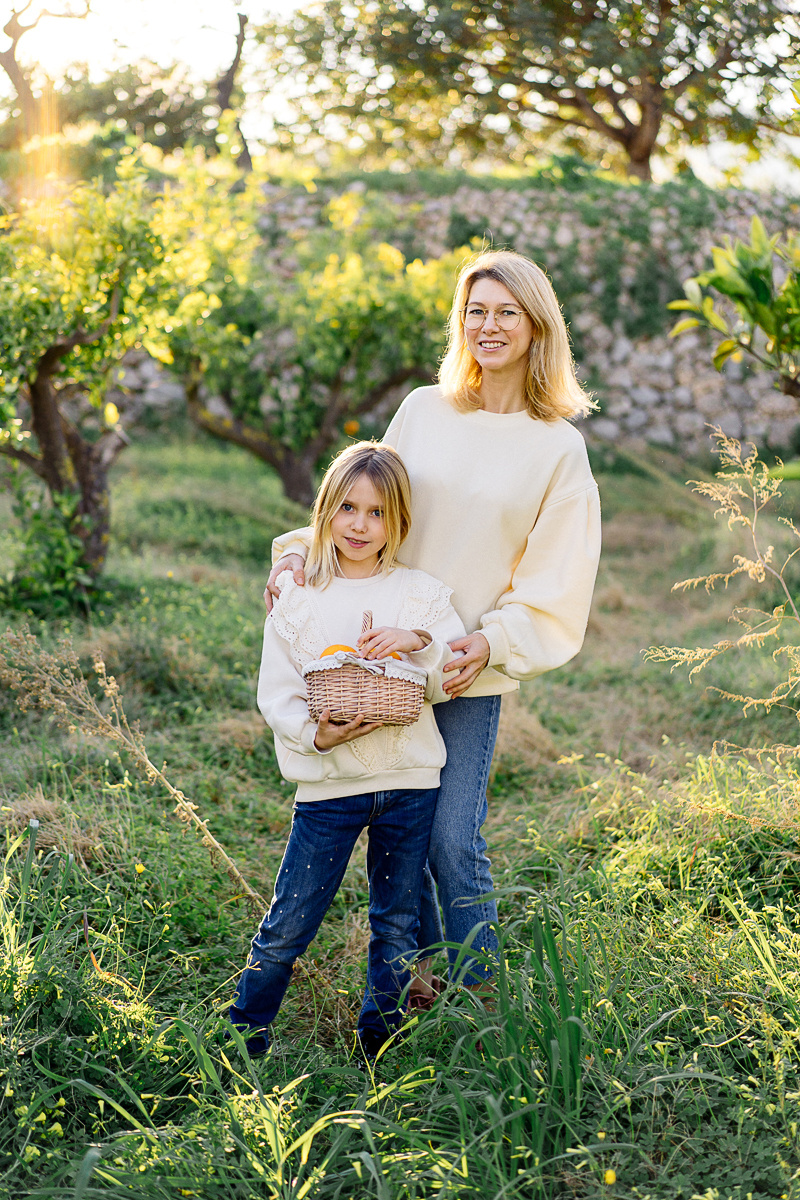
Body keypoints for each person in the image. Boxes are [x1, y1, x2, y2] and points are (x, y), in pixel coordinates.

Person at [266, 249, 602, 1003]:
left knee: (453, 838)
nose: (489, 325)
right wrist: (296, 555)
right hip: (381, 659)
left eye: (506, 311)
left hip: (462, 664)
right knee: (400, 832)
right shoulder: (424, 408)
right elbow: (364, 500)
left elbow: (556, 573)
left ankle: (479, 998)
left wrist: (493, 641)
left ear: (537, 324)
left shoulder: (557, 448)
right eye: (476, 310)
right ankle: (417, 976)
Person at [230, 441, 466, 1060]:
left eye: (378, 513)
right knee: (290, 922)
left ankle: (378, 1045)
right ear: (326, 511)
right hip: (330, 786)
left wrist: (415, 640)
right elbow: (277, 690)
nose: (361, 526)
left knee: (396, 924)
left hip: (411, 782)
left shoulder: (421, 595)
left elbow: (448, 671)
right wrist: (315, 735)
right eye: (348, 509)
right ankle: (243, 1037)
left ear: (399, 522)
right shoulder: (299, 597)